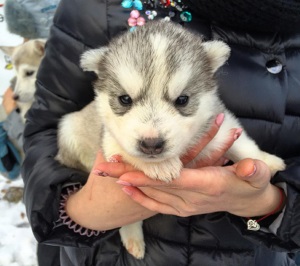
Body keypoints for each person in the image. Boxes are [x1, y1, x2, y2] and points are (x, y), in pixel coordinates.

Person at [21, 0, 300, 265]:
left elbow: (226, 126)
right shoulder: (95, 7)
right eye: (126, 101)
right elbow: (44, 133)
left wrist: (269, 205)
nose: (151, 136)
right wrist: (83, 211)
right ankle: (129, 227)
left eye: (181, 101)